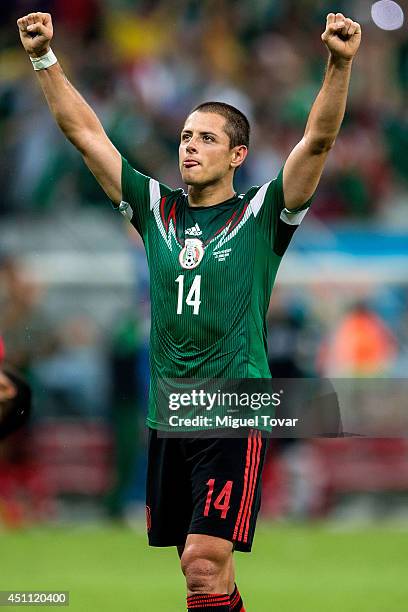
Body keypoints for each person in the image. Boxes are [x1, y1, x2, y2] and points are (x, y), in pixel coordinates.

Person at [17, 11, 361, 611]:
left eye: (206, 138)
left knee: (204, 559)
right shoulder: (156, 211)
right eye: (184, 136)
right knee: (197, 570)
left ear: (237, 156)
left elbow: (319, 141)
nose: (189, 146)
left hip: (233, 404)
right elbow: (86, 134)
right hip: (169, 407)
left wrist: (339, 63)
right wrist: (45, 57)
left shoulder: (262, 215)